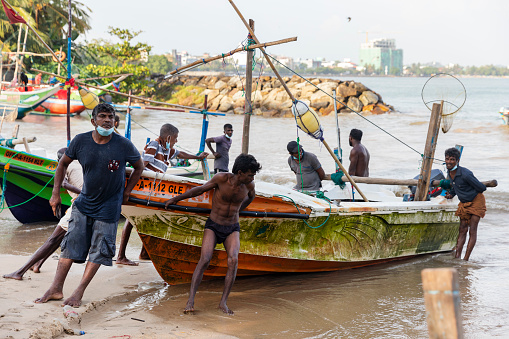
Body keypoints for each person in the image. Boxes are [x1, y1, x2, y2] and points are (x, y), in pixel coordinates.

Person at [34, 103, 144, 307]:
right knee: (70, 246)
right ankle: (56, 288)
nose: (108, 120)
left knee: (100, 250)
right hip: (84, 203)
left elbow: (139, 166)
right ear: (93, 121)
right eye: (102, 116)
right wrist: (55, 193)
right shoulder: (81, 141)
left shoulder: (123, 144)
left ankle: (78, 292)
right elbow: (62, 164)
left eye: (111, 117)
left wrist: (127, 192)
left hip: (109, 207)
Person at [164, 154, 261, 315]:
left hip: (232, 227)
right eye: (250, 174)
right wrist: (175, 199)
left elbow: (252, 197)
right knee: (205, 259)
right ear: (240, 172)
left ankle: (223, 302)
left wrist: (239, 210)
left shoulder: (249, 185)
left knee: (233, 260)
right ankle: (190, 300)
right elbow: (200, 190)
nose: (252, 177)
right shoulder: (221, 178)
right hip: (214, 225)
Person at [116, 123, 209, 265]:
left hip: (153, 191)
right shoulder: (154, 145)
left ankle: (143, 253)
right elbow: (142, 165)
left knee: (144, 219)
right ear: (169, 137)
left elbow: (180, 154)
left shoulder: (167, 150)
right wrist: (129, 189)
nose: (176, 141)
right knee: (131, 220)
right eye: (175, 138)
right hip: (144, 188)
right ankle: (121, 256)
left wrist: (197, 157)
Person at [3, 148, 83, 280]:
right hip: (83, 204)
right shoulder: (80, 164)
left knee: (53, 239)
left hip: (80, 205)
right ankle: (38, 263)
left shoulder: (64, 166)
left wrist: (82, 193)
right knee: (58, 238)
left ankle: (19, 272)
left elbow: (64, 183)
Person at [444, 147, 486, 261]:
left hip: (476, 201)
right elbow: (455, 186)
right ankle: (457, 257)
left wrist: (469, 194)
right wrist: (451, 194)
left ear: (457, 161)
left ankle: (466, 259)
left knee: (472, 230)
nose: (449, 162)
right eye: (447, 159)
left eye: (452, 159)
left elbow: (481, 188)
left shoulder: (466, 174)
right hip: (464, 203)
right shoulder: (450, 172)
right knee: (462, 229)